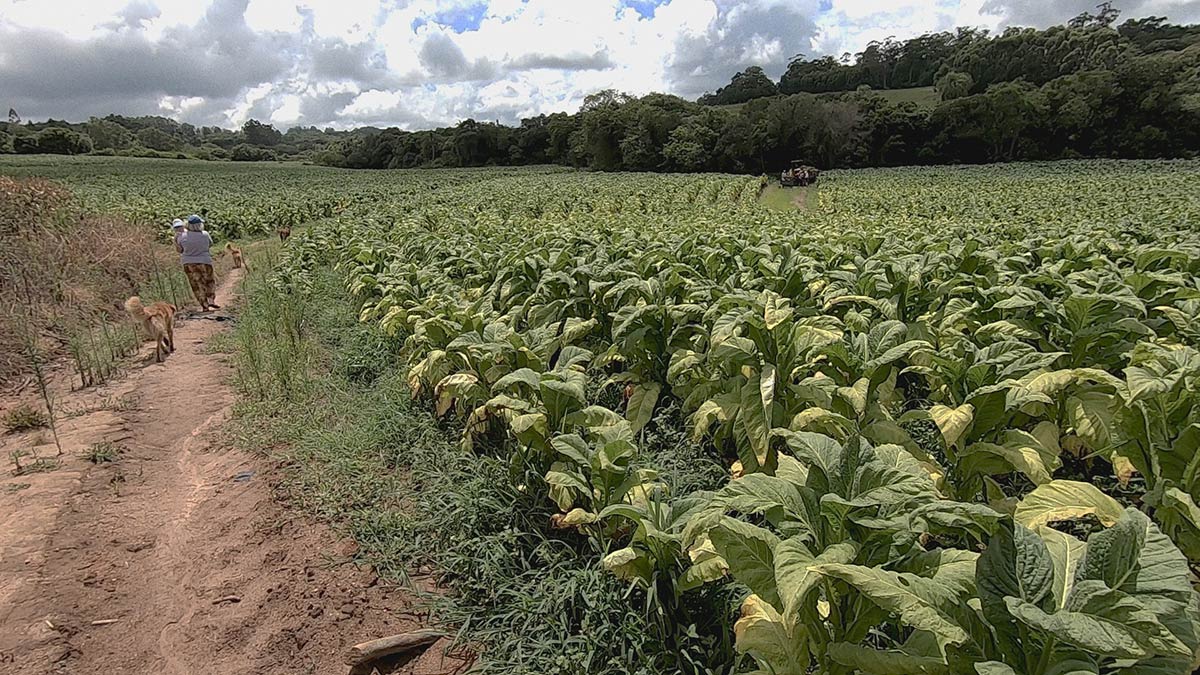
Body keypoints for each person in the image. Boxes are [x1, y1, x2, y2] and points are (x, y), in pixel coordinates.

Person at [176, 214, 219, 311]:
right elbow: (210, 244)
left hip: (189, 263)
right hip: (205, 261)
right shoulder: (205, 234)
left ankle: (204, 305)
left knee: (196, 284)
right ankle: (211, 299)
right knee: (209, 281)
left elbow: (180, 250)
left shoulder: (182, 237)